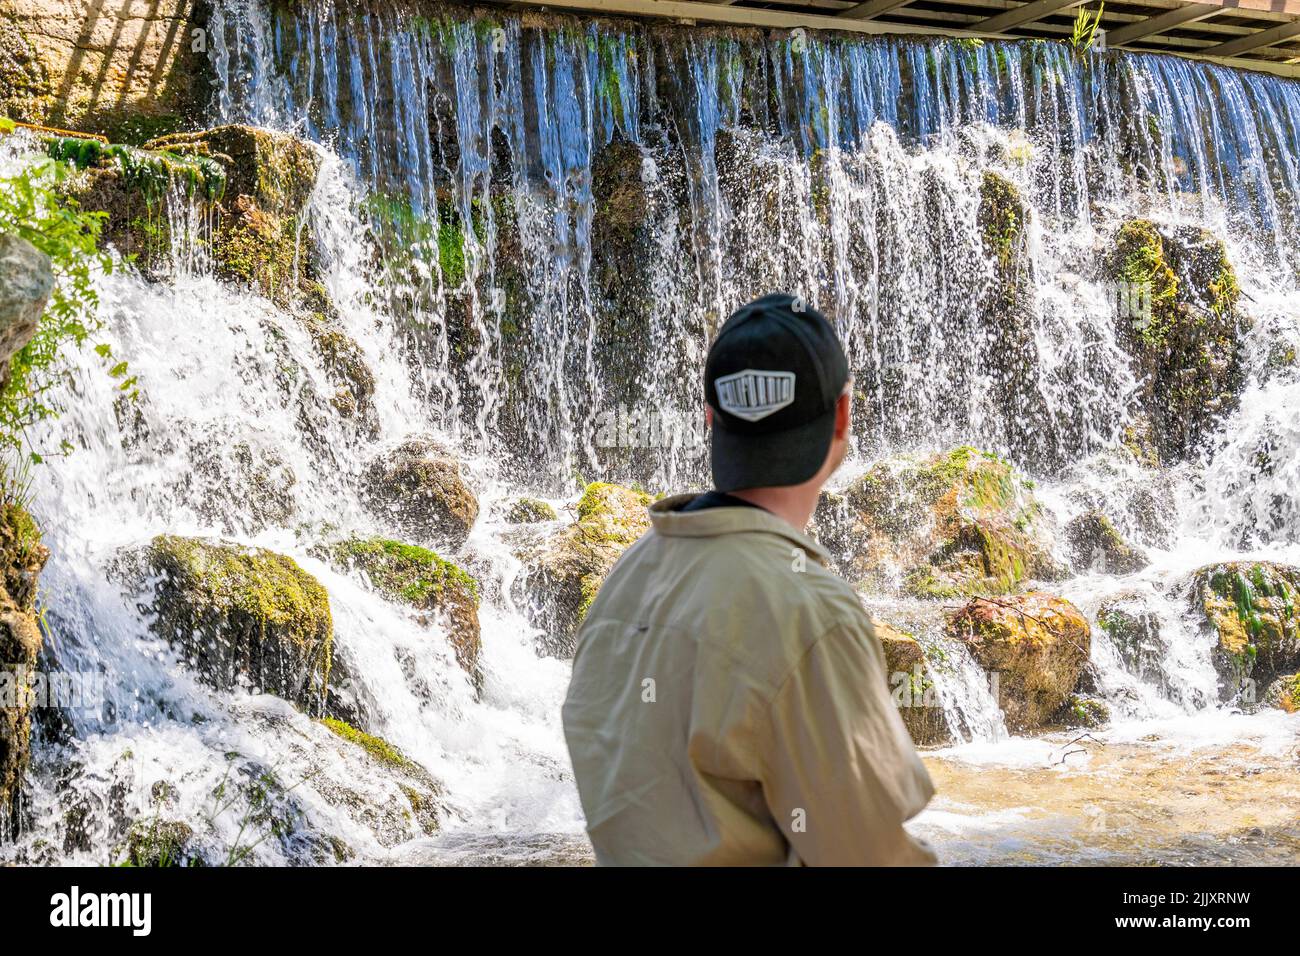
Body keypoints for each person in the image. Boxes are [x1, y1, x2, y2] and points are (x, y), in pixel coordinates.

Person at [561, 292, 936, 866]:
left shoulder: (625, 581)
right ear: (842, 416)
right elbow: (866, 856)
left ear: (711, 419)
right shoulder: (809, 612)